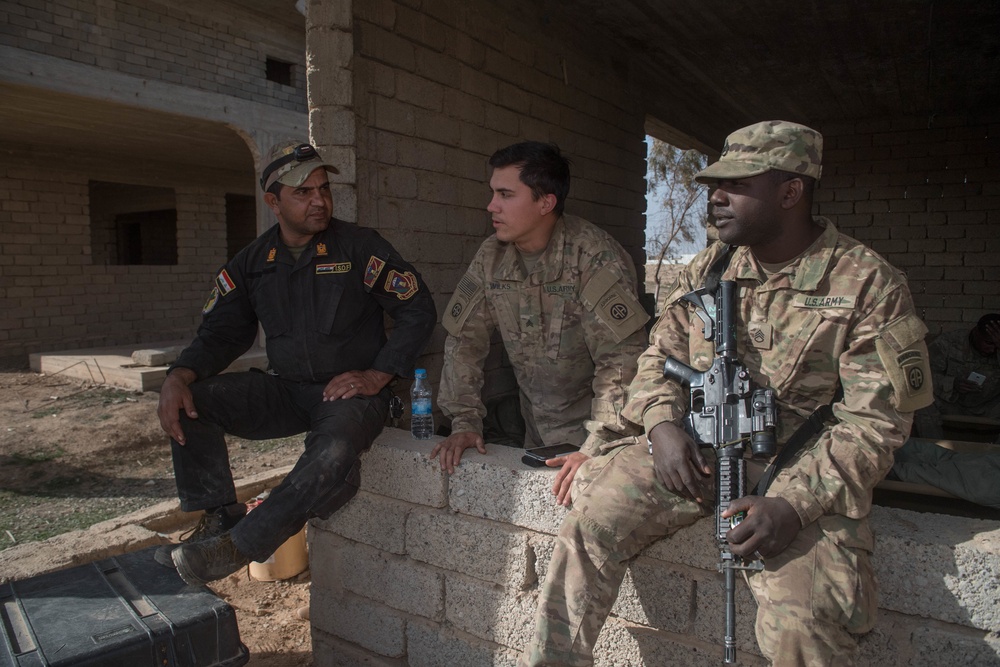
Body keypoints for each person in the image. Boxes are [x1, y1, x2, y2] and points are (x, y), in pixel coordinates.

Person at [519, 121, 934, 666]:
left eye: (737, 184)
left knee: (802, 623)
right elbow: (655, 360)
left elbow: (876, 425)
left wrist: (792, 503)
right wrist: (662, 425)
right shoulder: (708, 267)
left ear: (791, 192)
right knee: (589, 525)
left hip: (797, 475)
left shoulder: (866, 285)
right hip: (697, 454)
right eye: (715, 182)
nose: (716, 196)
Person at [155, 141, 436, 585]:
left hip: (349, 395)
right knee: (194, 402)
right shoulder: (252, 263)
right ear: (273, 202)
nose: (320, 200)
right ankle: (221, 517)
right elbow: (222, 334)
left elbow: (417, 307)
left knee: (334, 450)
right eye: (303, 192)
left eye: (323, 189)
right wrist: (179, 375)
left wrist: (378, 374)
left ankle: (241, 546)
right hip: (286, 390)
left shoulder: (359, 247)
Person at [433, 141, 649, 503]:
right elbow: (463, 343)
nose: (491, 206)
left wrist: (597, 447)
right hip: (535, 438)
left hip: (599, 446)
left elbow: (623, 362)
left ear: (545, 202)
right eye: (492, 193)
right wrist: (465, 423)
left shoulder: (593, 257)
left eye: (505, 194)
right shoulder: (491, 257)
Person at [912, 314, 1000, 438]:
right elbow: (924, 375)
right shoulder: (950, 342)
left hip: (989, 407)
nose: (992, 350)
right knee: (922, 401)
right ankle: (935, 448)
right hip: (953, 403)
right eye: (989, 343)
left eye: (996, 346)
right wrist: (952, 383)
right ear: (976, 333)